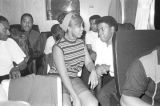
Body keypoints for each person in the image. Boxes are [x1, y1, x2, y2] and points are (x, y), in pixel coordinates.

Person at [53, 12, 98, 106]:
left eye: (83, 25)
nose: (83, 29)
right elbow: (64, 75)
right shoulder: (58, 47)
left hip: (73, 77)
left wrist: (93, 70)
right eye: (79, 26)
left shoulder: (81, 43)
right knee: (66, 104)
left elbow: (89, 62)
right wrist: (75, 96)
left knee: (93, 103)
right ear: (68, 28)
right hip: (57, 78)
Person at [95, 16, 118, 106]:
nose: (99, 33)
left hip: (122, 77)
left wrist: (108, 67)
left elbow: (124, 67)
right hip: (108, 76)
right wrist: (98, 67)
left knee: (102, 95)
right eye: (98, 30)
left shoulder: (120, 43)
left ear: (112, 29)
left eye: (102, 29)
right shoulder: (99, 42)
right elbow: (98, 61)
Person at [0, 16, 27, 82]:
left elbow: (23, 64)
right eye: (5, 30)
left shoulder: (9, 42)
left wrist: (16, 68)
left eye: (8, 29)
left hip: (5, 79)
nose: (8, 33)